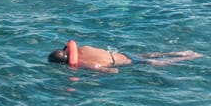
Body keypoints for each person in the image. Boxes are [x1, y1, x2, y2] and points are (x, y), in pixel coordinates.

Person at [47, 40, 201, 72]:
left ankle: (187, 58)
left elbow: (113, 71)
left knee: (153, 63)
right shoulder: (84, 48)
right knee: (153, 54)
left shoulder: (83, 64)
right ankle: (183, 52)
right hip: (121, 54)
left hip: (126, 62)